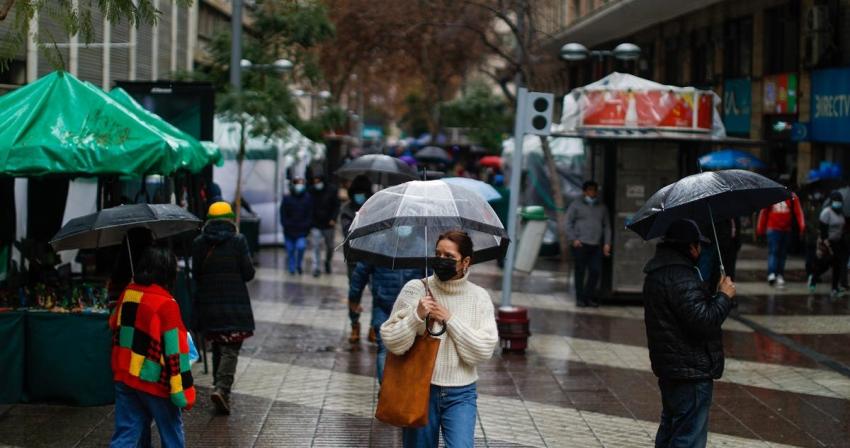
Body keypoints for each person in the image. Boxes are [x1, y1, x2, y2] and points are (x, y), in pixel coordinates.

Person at [381, 230, 499, 448]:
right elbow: (391, 341)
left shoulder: (479, 297)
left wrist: (449, 319)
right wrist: (416, 316)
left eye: (449, 257)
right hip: (420, 389)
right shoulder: (416, 289)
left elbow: (482, 352)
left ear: (465, 261)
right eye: (438, 254)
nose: (441, 260)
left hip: (461, 394)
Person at [642, 219, 736, 448]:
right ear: (689, 247)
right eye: (698, 245)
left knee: (671, 429)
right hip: (690, 371)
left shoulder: (658, 272)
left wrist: (712, 296)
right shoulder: (682, 277)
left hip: (671, 368)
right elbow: (704, 321)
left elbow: (687, 314)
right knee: (688, 437)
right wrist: (724, 297)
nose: (700, 250)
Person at [109, 247, 195, 448]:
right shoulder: (167, 304)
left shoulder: (129, 292)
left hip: (126, 374)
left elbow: (113, 323)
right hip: (155, 381)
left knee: (127, 432)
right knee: (171, 433)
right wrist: (182, 390)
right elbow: (176, 353)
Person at [192, 201, 256, 415]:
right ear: (230, 218)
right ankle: (222, 389)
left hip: (209, 304)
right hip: (234, 303)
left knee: (218, 344)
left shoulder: (199, 242)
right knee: (231, 348)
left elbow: (196, 273)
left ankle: (217, 387)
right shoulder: (238, 240)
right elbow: (248, 273)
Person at [565, 181, 611, 307]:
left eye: (594, 190)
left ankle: (588, 297)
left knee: (595, 271)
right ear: (584, 191)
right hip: (580, 244)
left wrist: (607, 243)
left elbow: (607, 226)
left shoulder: (602, 207)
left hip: (596, 245)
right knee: (580, 272)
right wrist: (573, 239)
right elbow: (568, 222)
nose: (592, 192)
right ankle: (580, 298)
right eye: (590, 190)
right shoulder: (576, 205)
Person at [340, 175, 373, 343]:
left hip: (373, 257)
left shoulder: (375, 207)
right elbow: (347, 231)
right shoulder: (347, 209)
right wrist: (360, 217)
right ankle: (355, 325)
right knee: (354, 292)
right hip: (354, 258)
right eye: (357, 193)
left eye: (363, 193)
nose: (360, 196)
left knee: (377, 292)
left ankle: (375, 326)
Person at [757, 192, 805, 287]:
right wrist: (760, 229)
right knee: (775, 252)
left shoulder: (792, 196)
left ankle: (778, 274)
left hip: (785, 229)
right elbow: (764, 212)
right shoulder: (771, 195)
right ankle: (773, 273)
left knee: (781, 253)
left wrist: (802, 226)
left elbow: (798, 212)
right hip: (773, 229)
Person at [280, 176, 314, 275]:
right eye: (297, 183)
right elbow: (282, 213)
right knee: (290, 250)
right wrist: (285, 224)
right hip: (289, 229)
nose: (299, 186)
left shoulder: (307, 198)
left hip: (302, 230)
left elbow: (310, 213)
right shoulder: (287, 198)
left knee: (301, 247)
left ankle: (298, 264)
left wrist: (307, 225)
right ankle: (292, 268)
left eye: (301, 183)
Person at [309, 174, 340, 277]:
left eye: (318, 181)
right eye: (315, 181)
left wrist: (333, 219)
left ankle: (327, 262)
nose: (317, 183)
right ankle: (316, 268)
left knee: (330, 246)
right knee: (316, 246)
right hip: (316, 223)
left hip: (328, 224)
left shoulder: (332, 190)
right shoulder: (312, 191)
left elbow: (336, 205)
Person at [820, 192, 847, 298]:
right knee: (826, 264)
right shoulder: (826, 212)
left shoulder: (841, 213)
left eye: (839, 201)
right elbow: (823, 229)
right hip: (828, 242)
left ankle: (834, 288)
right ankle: (814, 275)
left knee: (837, 265)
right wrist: (825, 241)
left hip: (838, 242)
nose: (838, 203)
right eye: (836, 201)